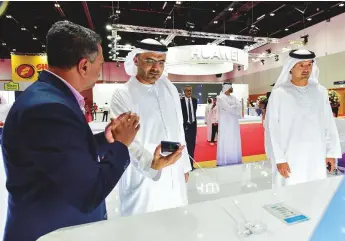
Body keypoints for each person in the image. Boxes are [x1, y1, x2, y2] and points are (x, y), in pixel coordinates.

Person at [1, 21, 140, 241]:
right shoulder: (49, 109)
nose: (101, 69)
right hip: (51, 233)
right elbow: (89, 193)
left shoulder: (49, 98)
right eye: (101, 63)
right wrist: (121, 145)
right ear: (84, 66)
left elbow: (63, 154)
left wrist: (106, 139)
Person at [110, 39, 190, 216]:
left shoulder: (168, 89)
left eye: (161, 62)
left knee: (175, 220)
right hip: (143, 173)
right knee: (144, 225)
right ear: (136, 60)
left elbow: (179, 127)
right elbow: (126, 142)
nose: (156, 68)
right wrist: (151, 164)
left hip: (174, 169)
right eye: (150, 61)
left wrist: (184, 167)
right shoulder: (123, 94)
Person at [265, 49, 342, 188]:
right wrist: (279, 158)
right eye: (301, 65)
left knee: (316, 192)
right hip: (290, 155)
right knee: (290, 194)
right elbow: (272, 129)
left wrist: (331, 153)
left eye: (309, 64)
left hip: (316, 154)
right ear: (291, 67)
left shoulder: (320, 92)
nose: (306, 69)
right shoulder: (279, 94)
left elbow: (328, 124)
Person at [216, 83, 243, 165]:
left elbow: (239, 106)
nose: (232, 89)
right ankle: (225, 160)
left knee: (234, 138)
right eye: (231, 87)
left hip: (234, 122)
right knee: (226, 138)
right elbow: (227, 108)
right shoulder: (220, 98)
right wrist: (233, 107)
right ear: (227, 88)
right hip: (225, 122)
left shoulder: (233, 97)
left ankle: (235, 159)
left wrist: (232, 107)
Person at [180, 85, 198, 171]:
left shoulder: (195, 101)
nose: (189, 92)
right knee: (185, 147)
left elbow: (194, 113)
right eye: (187, 91)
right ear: (184, 92)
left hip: (193, 126)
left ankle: (191, 165)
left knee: (192, 146)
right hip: (185, 127)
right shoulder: (180, 102)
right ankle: (185, 166)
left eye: (190, 90)